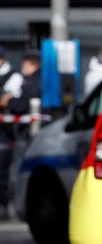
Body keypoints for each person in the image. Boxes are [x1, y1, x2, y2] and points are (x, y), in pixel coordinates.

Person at [0, 48, 41, 220]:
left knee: (15, 168)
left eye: (25, 62)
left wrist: (9, 100)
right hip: (24, 133)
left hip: (26, 134)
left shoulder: (29, 81)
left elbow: (19, 104)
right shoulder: (29, 80)